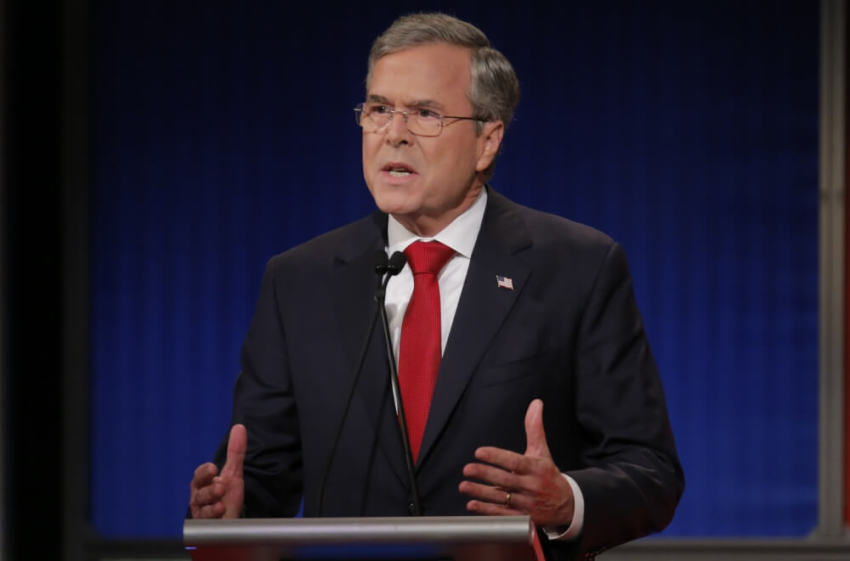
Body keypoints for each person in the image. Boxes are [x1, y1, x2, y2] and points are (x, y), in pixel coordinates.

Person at [189, 12, 683, 560]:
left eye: (425, 113)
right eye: (379, 109)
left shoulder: (577, 266)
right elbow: (260, 474)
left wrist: (566, 501)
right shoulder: (299, 279)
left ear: (486, 141)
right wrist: (227, 513)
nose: (393, 133)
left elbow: (651, 472)